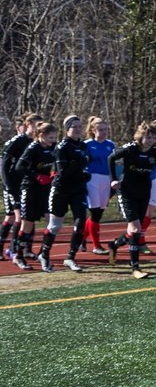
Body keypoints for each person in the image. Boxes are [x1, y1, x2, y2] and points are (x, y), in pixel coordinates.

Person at [107, 123, 156, 278]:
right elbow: (111, 158)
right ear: (141, 137)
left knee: (135, 230)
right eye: (148, 136)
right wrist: (113, 179)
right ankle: (135, 267)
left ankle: (114, 245)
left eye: (153, 137)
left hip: (144, 192)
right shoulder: (131, 148)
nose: (150, 139)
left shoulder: (155, 153)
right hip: (127, 192)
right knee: (135, 230)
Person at [39, 116, 91, 272]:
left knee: (80, 222)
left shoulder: (82, 145)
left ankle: (70, 257)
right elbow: (63, 172)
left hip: (78, 189)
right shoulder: (62, 146)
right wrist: (79, 167)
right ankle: (44, 254)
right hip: (61, 189)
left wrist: (82, 171)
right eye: (74, 126)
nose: (78, 129)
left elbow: (84, 164)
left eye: (79, 126)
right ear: (67, 129)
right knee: (55, 225)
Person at [11, 121, 58, 270]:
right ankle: (18, 256)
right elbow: (19, 167)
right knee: (27, 223)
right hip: (30, 189)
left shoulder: (54, 148)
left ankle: (43, 254)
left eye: (54, 138)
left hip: (46, 189)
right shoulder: (33, 148)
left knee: (52, 221)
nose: (53, 141)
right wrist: (36, 176)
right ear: (41, 136)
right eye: (50, 138)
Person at [1, 112, 39, 260]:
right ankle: (11, 248)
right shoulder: (17, 141)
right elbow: (4, 165)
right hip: (13, 185)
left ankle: (26, 248)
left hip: (28, 185)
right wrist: (8, 185)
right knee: (14, 217)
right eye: (36, 125)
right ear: (27, 125)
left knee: (30, 216)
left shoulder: (37, 142)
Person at [83, 117, 116, 255]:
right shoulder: (87, 144)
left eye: (105, 129)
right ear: (93, 130)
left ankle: (81, 238)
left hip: (106, 179)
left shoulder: (111, 144)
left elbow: (115, 163)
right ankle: (96, 246)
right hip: (92, 179)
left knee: (99, 212)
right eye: (100, 130)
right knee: (95, 212)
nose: (104, 132)